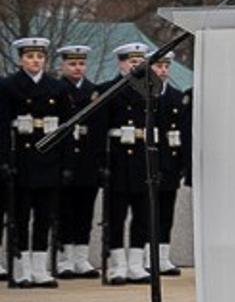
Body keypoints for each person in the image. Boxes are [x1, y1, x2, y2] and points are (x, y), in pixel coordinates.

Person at [5, 37, 66, 289]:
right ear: (21, 60)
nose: (35, 61)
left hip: (48, 160)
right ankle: (21, 268)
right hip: (22, 158)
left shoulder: (56, 87)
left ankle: (40, 268)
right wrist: (5, 161)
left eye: (39, 57)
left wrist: (66, 163)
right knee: (20, 216)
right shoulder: (9, 86)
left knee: (44, 216)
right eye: (30, 57)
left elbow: (65, 128)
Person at [100, 43, 155, 286]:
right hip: (119, 159)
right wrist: (101, 164)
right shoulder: (107, 90)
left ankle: (135, 263)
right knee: (116, 215)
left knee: (142, 215)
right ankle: (117, 264)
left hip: (142, 160)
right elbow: (99, 133)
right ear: (121, 63)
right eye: (131, 61)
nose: (135, 65)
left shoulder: (152, 90)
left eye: (139, 61)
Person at [53, 45, 103, 280]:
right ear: (62, 65)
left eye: (81, 63)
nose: (77, 68)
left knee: (85, 210)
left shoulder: (95, 91)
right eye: (72, 64)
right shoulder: (56, 89)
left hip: (87, 160)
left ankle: (81, 257)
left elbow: (99, 131)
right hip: (63, 159)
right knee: (65, 211)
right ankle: (65, 258)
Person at [144, 55, 190, 276]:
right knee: (147, 212)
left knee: (166, 213)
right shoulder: (142, 95)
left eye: (165, 66)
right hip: (147, 162)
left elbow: (182, 133)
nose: (162, 70)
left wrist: (181, 163)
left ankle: (163, 256)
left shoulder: (176, 97)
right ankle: (146, 255)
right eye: (158, 66)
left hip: (170, 162)